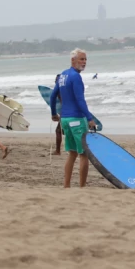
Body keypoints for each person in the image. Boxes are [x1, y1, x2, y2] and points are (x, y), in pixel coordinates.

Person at [50, 48, 97, 188]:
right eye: (81, 59)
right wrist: (89, 118)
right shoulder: (76, 77)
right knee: (84, 154)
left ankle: (66, 185)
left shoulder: (63, 75)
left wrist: (53, 113)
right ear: (73, 60)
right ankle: (82, 187)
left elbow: (53, 96)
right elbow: (80, 100)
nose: (84, 62)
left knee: (72, 154)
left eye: (85, 59)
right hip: (77, 119)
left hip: (64, 120)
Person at [52, 74, 63, 155]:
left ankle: (58, 151)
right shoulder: (67, 89)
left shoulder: (59, 90)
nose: (55, 82)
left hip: (66, 113)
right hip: (73, 113)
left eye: (56, 80)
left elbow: (52, 99)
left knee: (58, 131)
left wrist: (54, 114)